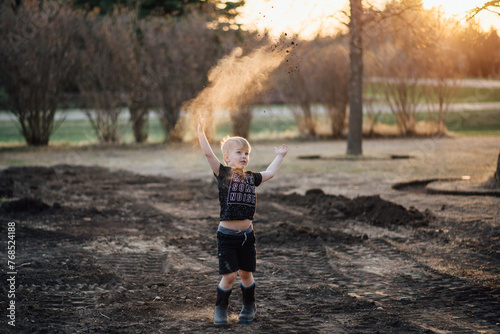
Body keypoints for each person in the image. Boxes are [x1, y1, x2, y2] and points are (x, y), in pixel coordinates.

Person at [197, 115, 289, 325]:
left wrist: (280, 156)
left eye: (247, 153)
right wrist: (201, 131)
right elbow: (207, 153)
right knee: (229, 276)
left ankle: (249, 304)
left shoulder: (251, 177)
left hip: (247, 237)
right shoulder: (223, 174)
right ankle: (221, 308)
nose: (244, 156)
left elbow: (271, 172)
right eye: (239, 152)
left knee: (246, 274)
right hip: (227, 237)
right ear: (227, 158)